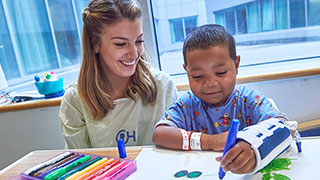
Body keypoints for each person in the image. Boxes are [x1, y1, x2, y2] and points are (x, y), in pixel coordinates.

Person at [152, 24, 293, 175]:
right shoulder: (187, 104)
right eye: (197, 76)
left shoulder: (249, 100)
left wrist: (255, 147)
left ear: (236, 65)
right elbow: (159, 134)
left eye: (220, 72)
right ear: (186, 71)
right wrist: (209, 142)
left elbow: (286, 126)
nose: (210, 83)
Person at [59, 0, 178, 149]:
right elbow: (80, 163)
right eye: (120, 44)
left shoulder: (163, 86)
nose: (134, 54)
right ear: (94, 44)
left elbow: (177, 154)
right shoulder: (75, 99)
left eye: (139, 41)